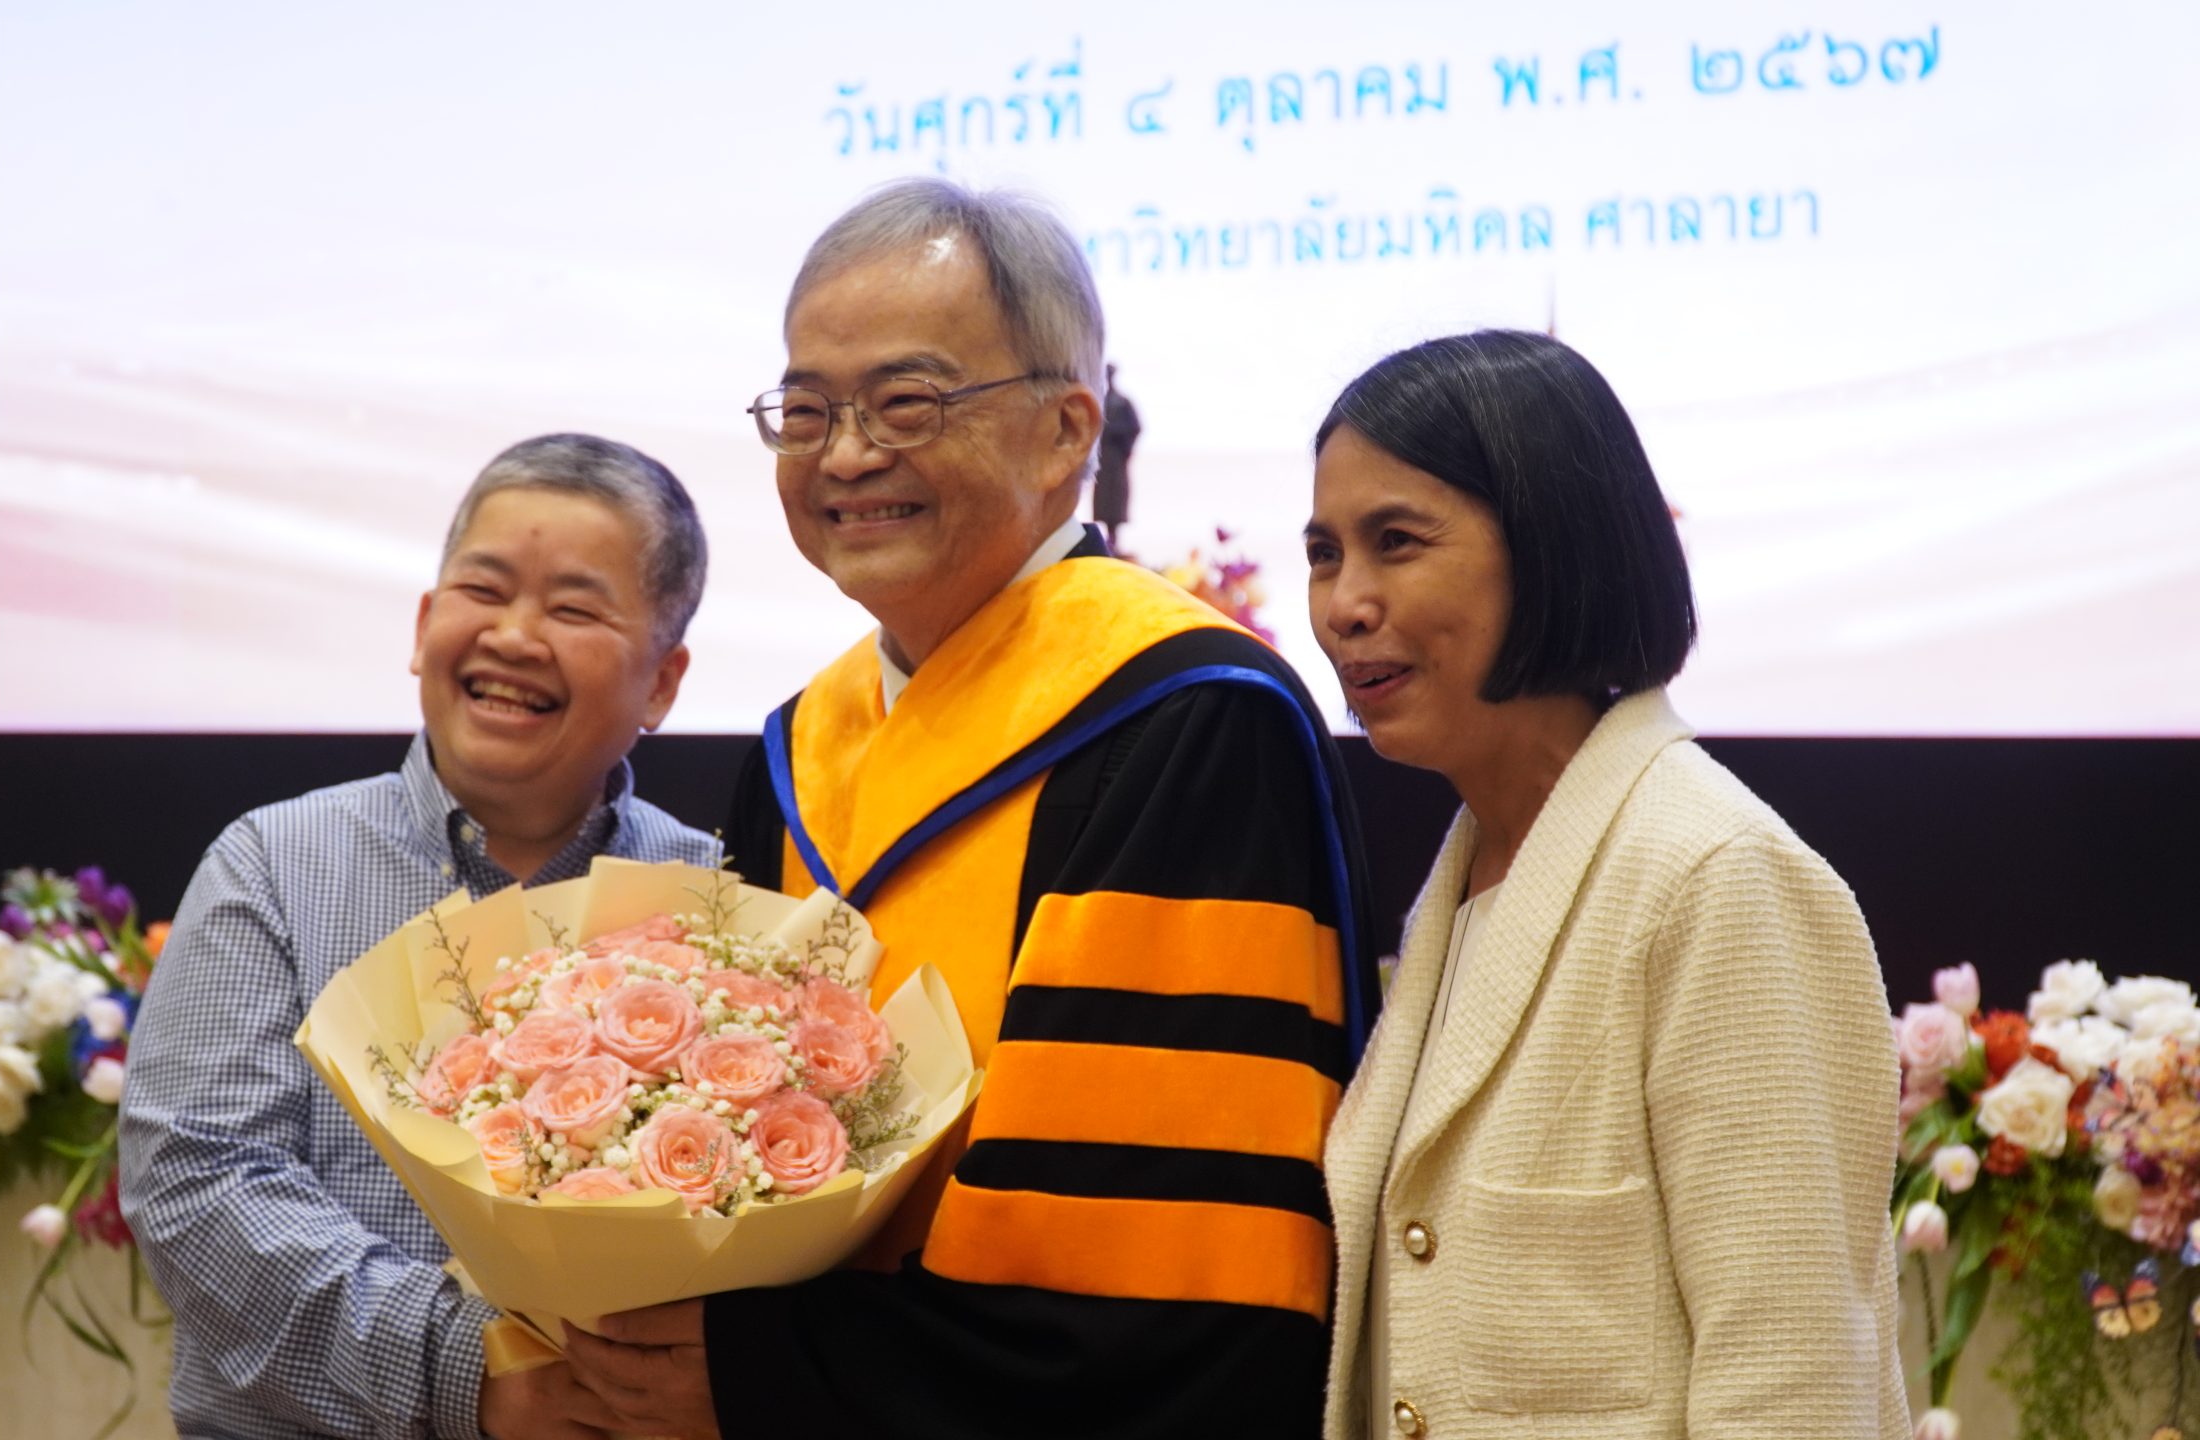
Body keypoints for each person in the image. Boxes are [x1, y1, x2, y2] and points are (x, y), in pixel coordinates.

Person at [561, 179, 1381, 1439]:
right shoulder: (797, 750)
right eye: (806, 411)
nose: (845, 456)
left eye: (906, 402)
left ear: (1063, 431)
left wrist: (771, 1380)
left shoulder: (1189, 723)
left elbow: (1177, 1285)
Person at [1301, 331, 1908, 1439]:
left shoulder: (1716, 873)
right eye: (1324, 553)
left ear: (1552, 547)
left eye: (1395, 542)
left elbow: (1793, 1380)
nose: (1344, 603)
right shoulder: (1466, 878)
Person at [120, 434, 722, 1440]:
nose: (514, 636)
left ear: (663, 681)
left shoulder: (716, 901)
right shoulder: (272, 865)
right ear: (423, 624)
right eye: (484, 590)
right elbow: (198, 1183)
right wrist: (466, 1372)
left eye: (573, 609)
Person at [1093, 360, 1140, 547]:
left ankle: (1114, 540)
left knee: (1116, 501)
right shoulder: (1099, 401)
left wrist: (1124, 446)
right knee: (1104, 501)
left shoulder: (1122, 402)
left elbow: (1135, 427)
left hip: (1116, 457)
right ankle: (1108, 540)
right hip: (1103, 459)